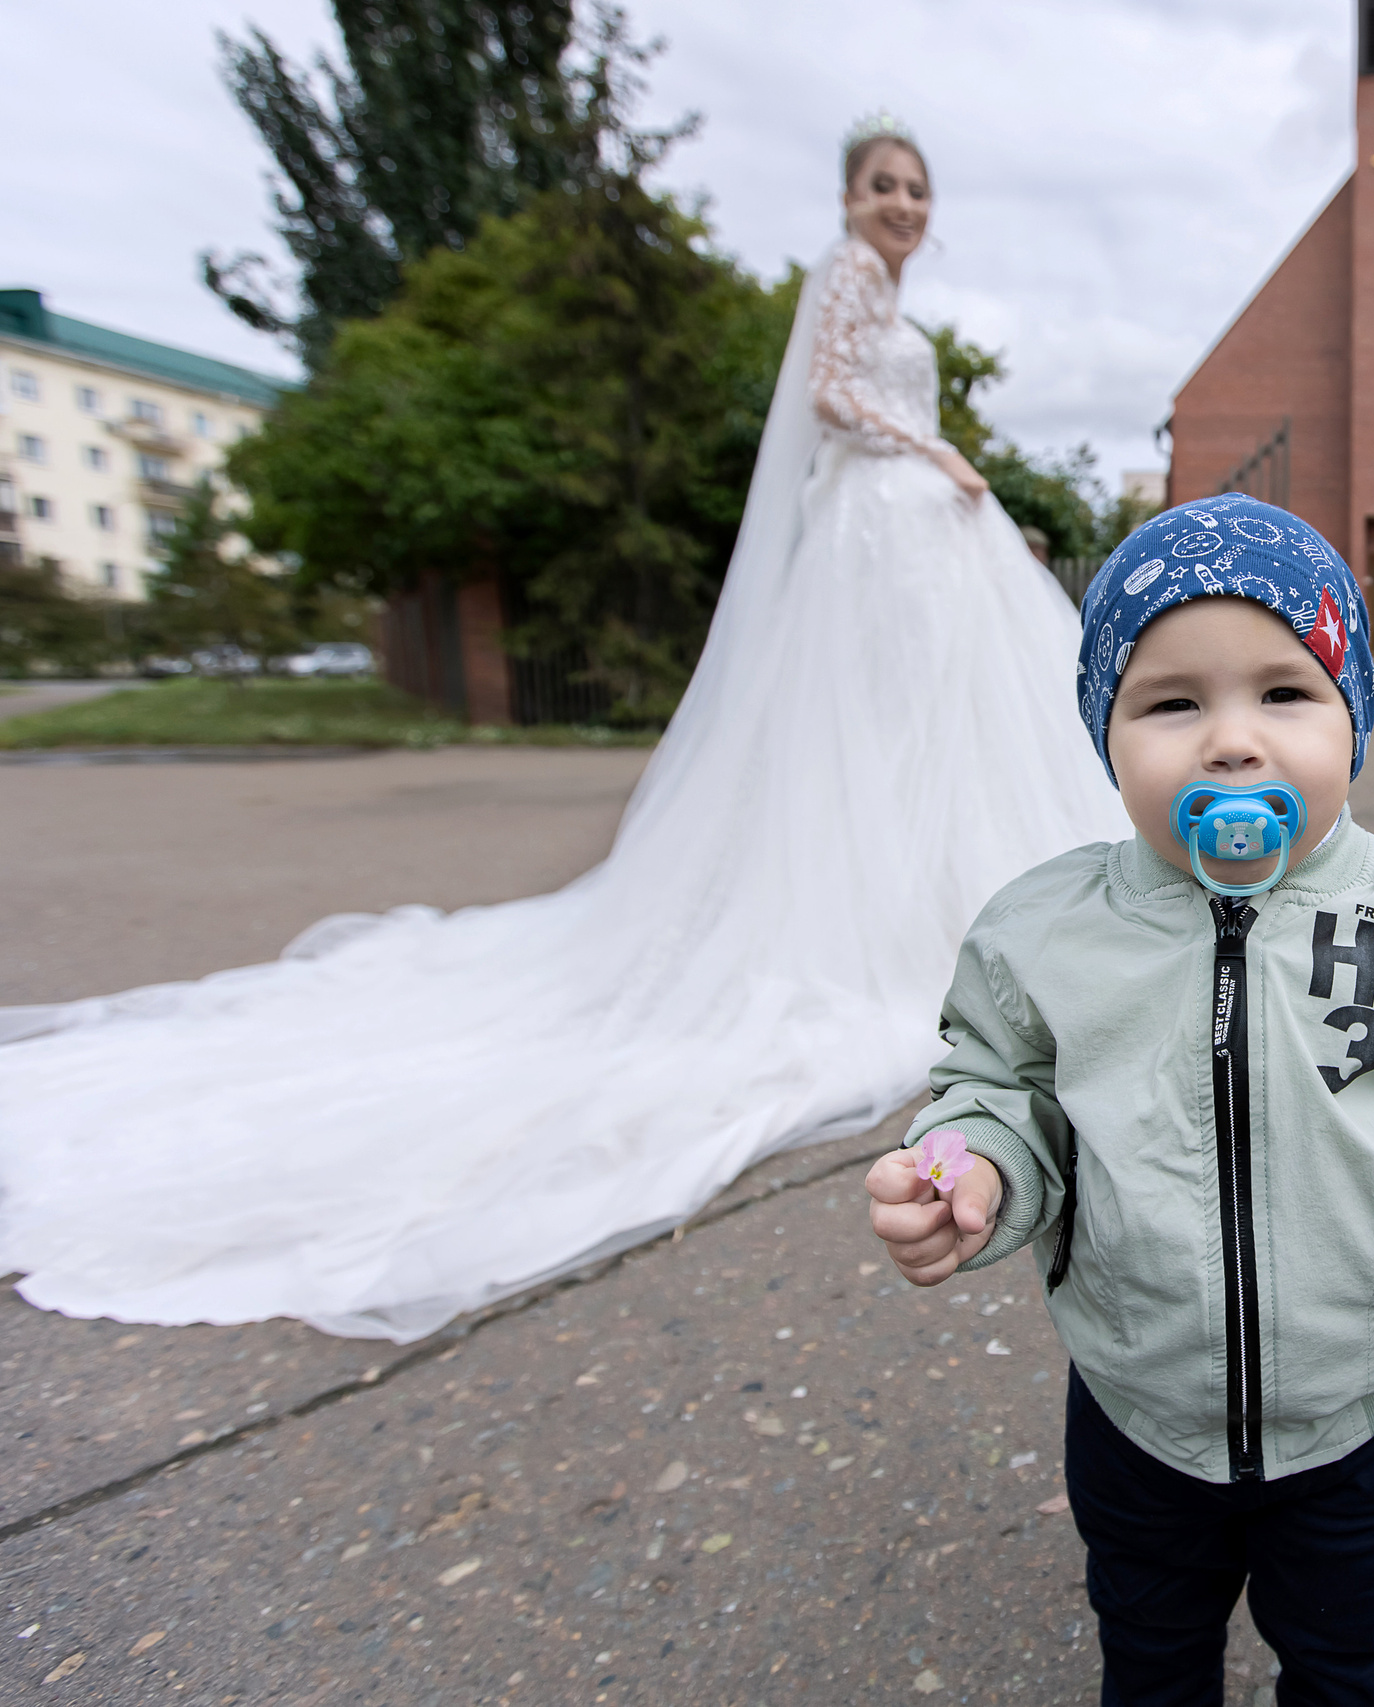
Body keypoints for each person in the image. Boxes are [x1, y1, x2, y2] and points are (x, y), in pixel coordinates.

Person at [0, 116, 1127, 1343]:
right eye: (882, 185)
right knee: (884, 736)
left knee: (931, 736)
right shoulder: (847, 278)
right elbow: (830, 395)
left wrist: (942, 469)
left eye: (916, 188)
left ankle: (943, 911)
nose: (901, 204)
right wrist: (940, 452)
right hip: (881, 522)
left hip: (912, 527)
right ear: (850, 200)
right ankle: (909, 925)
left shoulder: (885, 290)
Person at [865, 495, 1374, 1707]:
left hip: (1361, 1405)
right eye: (1172, 702)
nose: (1231, 743)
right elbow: (998, 1086)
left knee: (1350, 1657)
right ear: (1107, 736)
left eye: (1284, 693)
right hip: (1138, 1404)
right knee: (1151, 1652)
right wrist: (972, 1168)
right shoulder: (1044, 930)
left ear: (1352, 717)